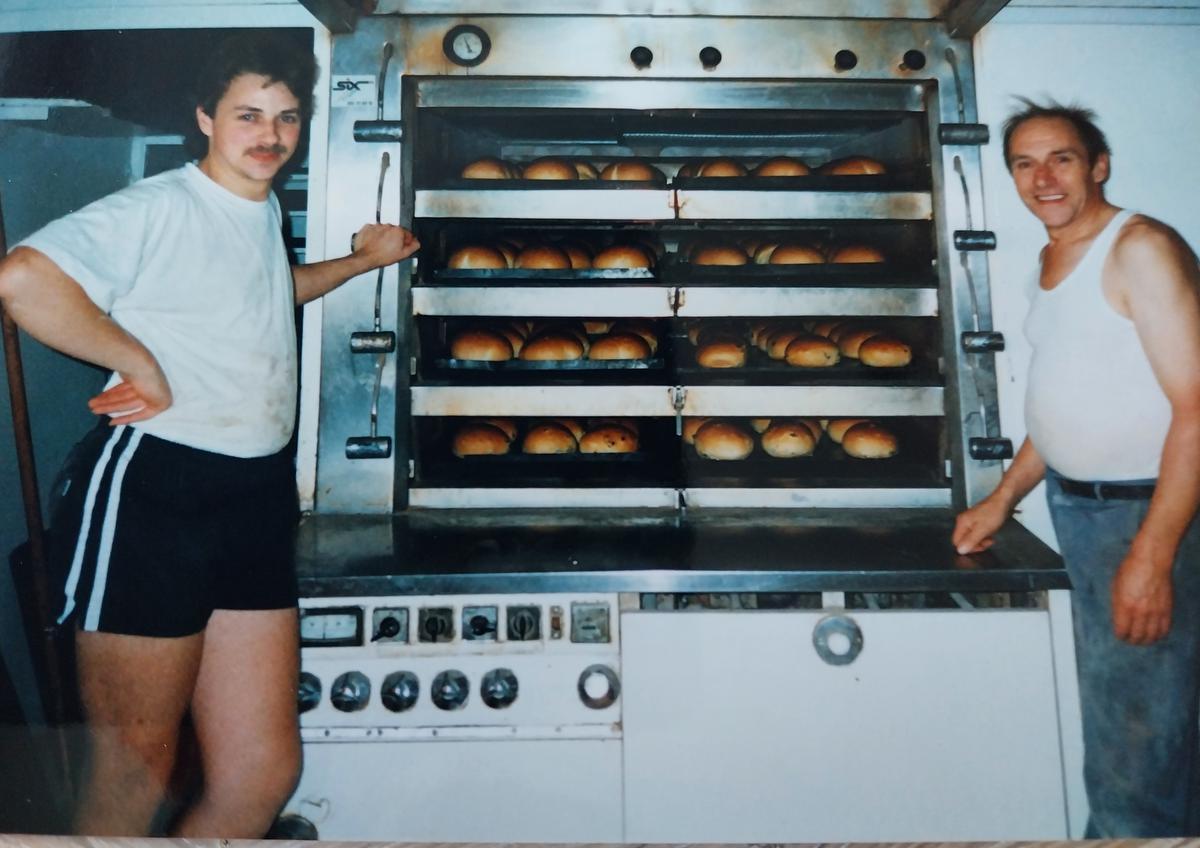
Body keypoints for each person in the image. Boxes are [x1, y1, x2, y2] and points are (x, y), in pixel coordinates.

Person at [0, 33, 418, 836]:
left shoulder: (253, 212)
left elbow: (264, 294)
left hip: (252, 502)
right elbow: (25, 278)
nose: (270, 135)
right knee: (135, 773)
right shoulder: (163, 204)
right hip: (156, 494)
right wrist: (138, 363)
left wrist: (359, 265)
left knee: (262, 772)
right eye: (248, 115)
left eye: (287, 118)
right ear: (204, 118)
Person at [952, 99, 1200, 836]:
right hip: (1084, 510)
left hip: (1146, 512)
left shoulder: (1139, 249)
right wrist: (1003, 500)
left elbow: (1197, 408)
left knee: (1137, 746)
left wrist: (1151, 557)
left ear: (1099, 166)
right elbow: (1063, 402)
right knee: (1141, 723)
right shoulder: (1052, 260)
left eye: (1061, 158)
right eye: (1024, 163)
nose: (1043, 177)